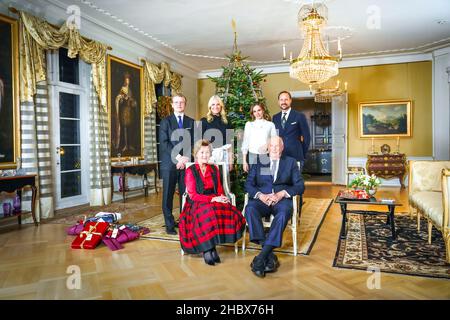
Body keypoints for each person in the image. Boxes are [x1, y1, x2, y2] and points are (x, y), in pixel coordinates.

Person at [244, 136, 304, 278]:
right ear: (268, 148)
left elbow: (300, 186)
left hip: (281, 200)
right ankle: (269, 255)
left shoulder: (290, 163)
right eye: (272, 146)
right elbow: (248, 184)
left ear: (282, 148)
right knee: (250, 209)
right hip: (262, 200)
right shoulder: (259, 162)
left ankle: (260, 258)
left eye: (278, 146)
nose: (275, 148)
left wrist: (282, 193)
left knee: (283, 214)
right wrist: (260, 195)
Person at [179, 139, 246, 265]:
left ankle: (210, 248)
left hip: (213, 198)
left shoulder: (214, 169)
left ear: (210, 154)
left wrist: (222, 197)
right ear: (196, 154)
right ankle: (208, 250)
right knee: (207, 212)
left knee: (228, 211)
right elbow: (193, 195)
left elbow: (219, 189)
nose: (205, 155)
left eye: (207, 152)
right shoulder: (190, 170)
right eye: (202, 152)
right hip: (196, 202)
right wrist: (213, 199)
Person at [159, 94, 195, 235]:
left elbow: (194, 142)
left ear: (185, 104)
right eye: (176, 102)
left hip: (186, 163)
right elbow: (164, 143)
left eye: (182, 102)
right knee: (167, 194)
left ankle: (184, 221)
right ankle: (169, 224)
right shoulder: (165, 122)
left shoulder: (191, 122)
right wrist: (179, 157)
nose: (179, 104)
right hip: (170, 164)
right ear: (172, 105)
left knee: (185, 194)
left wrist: (185, 158)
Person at [272, 91, 310, 170]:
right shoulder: (275, 117)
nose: (283, 102)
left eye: (286, 99)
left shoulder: (299, 116)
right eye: (281, 100)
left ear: (290, 100)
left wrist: (302, 153)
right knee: (282, 181)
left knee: (296, 181)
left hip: (296, 156)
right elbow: (275, 137)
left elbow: (307, 137)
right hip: (281, 156)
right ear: (278, 101)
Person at [200, 95, 233, 170]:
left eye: (218, 104)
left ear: (221, 106)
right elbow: (199, 143)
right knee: (210, 180)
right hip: (209, 156)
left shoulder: (227, 121)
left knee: (223, 180)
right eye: (213, 104)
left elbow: (230, 143)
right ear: (210, 107)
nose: (216, 106)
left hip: (224, 156)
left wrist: (231, 161)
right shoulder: (204, 121)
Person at [242, 103, 277, 173]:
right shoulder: (249, 124)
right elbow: (245, 143)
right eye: (254, 111)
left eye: (259, 110)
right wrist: (244, 161)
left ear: (263, 110)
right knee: (253, 179)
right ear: (252, 113)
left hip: (265, 156)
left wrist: (267, 145)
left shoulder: (270, 125)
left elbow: (274, 141)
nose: (257, 113)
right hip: (252, 156)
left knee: (265, 179)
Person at [113, 72, 137, 154]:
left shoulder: (130, 89)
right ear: (124, 80)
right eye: (127, 80)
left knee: (130, 127)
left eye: (129, 80)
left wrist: (132, 101)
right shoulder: (122, 88)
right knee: (125, 127)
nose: (128, 82)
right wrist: (123, 98)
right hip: (124, 111)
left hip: (130, 110)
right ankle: (125, 145)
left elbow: (132, 99)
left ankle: (130, 144)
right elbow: (119, 99)